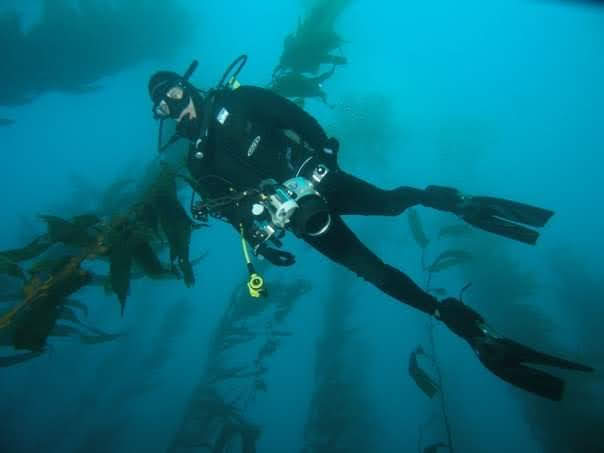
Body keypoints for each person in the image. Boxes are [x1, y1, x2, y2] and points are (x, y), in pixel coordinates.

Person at [147, 56, 593, 401]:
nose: (174, 107)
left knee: (389, 204)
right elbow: (233, 213)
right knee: (374, 273)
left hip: (321, 181)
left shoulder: (236, 101)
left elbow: (290, 116)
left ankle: (461, 203)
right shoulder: (197, 162)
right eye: (163, 107)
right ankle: (463, 325)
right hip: (301, 219)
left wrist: (323, 152)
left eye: (174, 93)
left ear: (188, 86)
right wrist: (262, 243)